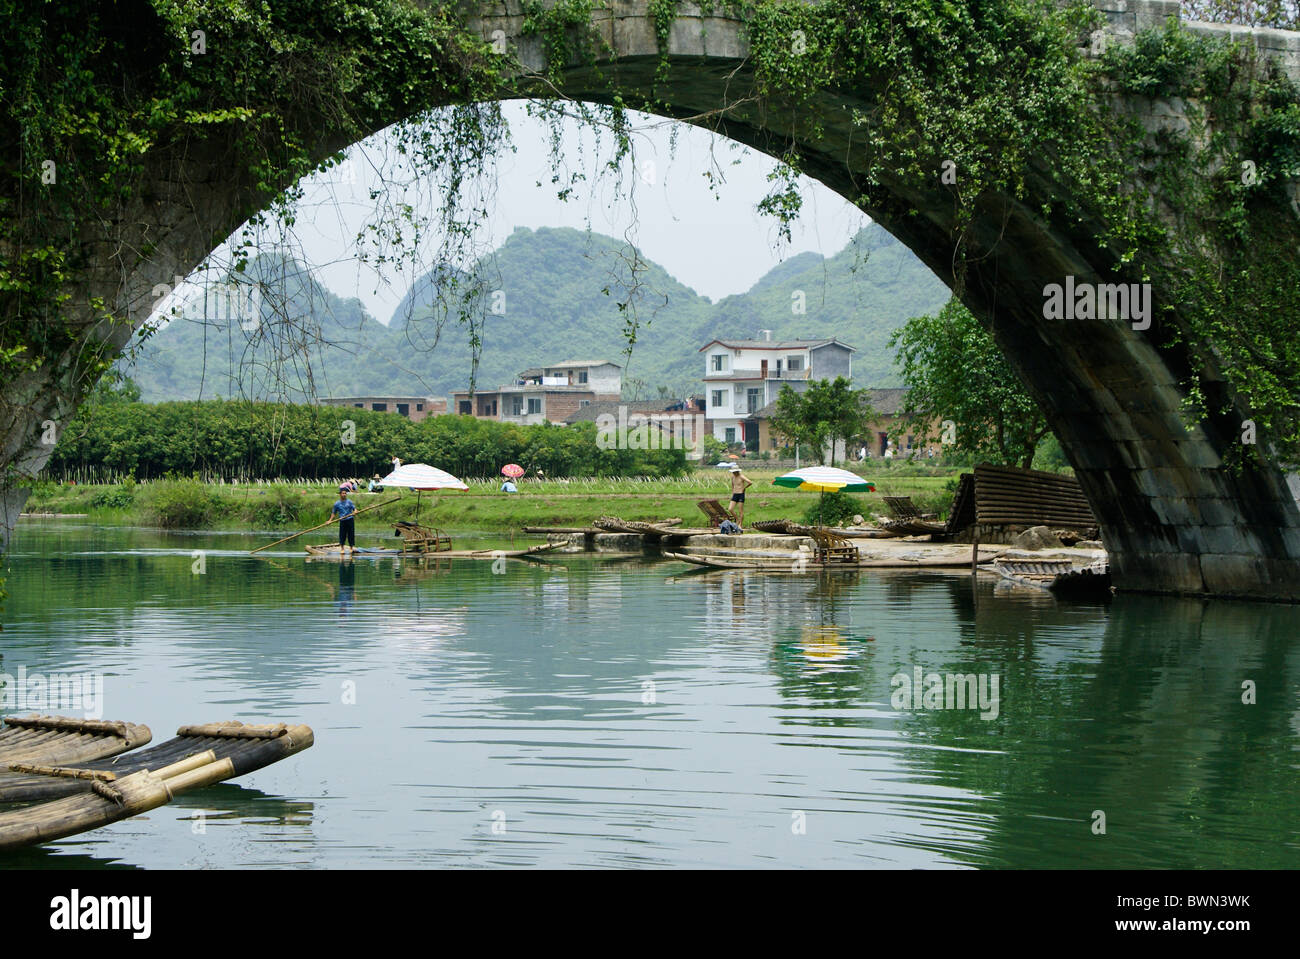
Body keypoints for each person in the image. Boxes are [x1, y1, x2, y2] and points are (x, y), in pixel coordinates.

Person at [328, 486, 358, 553]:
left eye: (345, 493)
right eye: (343, 493)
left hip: (350, 519)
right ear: (340, 494)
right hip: (342, 520)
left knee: (351, 534)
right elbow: (333, 513)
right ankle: (342, 549)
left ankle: (351, 547)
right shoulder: (337, 503)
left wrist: (355, 512)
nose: (344, 495)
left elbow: (354, 509)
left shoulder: (349, 502)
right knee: (342, 534)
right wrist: (330, 520)